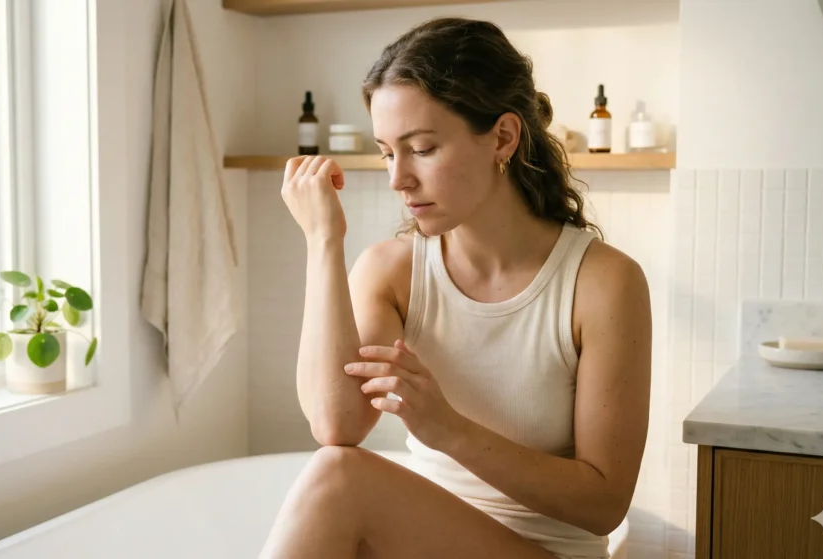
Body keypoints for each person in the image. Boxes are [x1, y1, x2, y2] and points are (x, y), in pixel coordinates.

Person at [260, 16, 652, 559]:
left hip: (548, 551)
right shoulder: (392, 272)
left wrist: (448, 430)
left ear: (503, 137)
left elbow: (605, 504)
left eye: (421, 149)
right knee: (336, 468)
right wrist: (323, 240)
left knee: (339, 480)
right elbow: (336, 424)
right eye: (387, 152)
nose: (397, 178)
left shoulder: (602, 282)